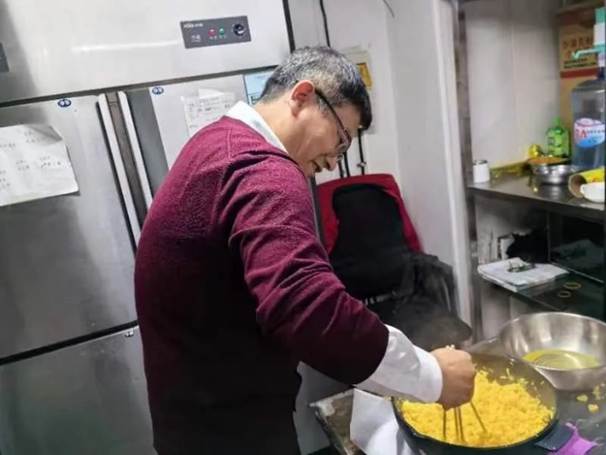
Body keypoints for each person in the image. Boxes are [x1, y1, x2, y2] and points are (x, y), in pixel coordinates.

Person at [135, 46, 475, 455]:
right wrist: (433, 376)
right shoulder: (264, 169)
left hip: (194, 417)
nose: (332, 164)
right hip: (230, 430)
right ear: (302, 96)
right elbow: (308, 307)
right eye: (340, 141)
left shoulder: (216, 141)